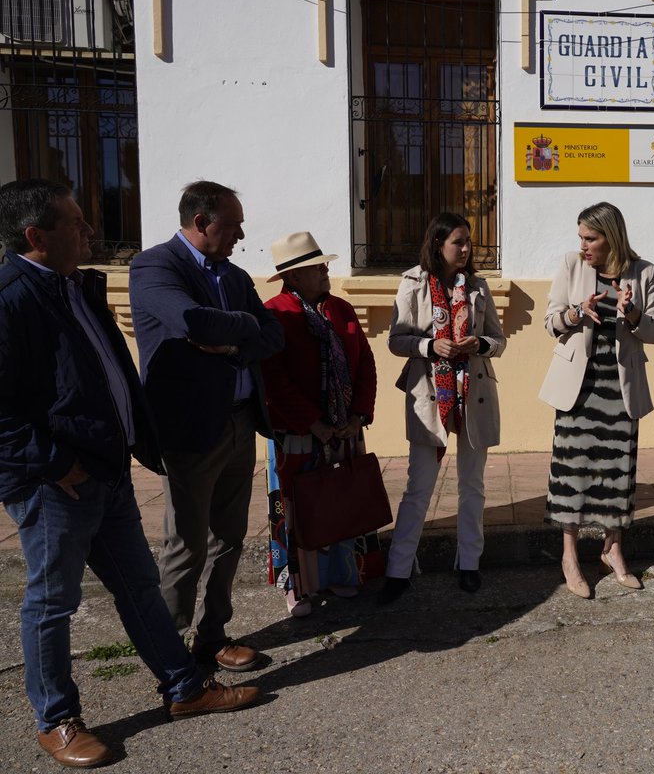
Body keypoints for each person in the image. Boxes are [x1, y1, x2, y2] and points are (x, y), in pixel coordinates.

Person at [0, 180, 259, 768]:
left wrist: (133, 442)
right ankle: (57, 719)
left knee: (140, 587)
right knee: (51, 602)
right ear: (35, 235)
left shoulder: (77, 287)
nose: (89, 231)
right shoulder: (12, 299)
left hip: (106, 471)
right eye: (75, 221)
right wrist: (55, 463)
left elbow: (110, 368)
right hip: (57, 483)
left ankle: (183, 688)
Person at [129, 181, 284, 672]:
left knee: (231, 537)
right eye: (233, 223)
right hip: (191, 430)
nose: (241, 232)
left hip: (239, 423)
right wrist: (243, 327)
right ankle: (169, 650)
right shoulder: (155, 266)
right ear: (202, 222)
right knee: (186, 544)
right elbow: (193, 322)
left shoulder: (234, 275)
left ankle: (211, 634)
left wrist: (235, 339)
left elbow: (273, 335)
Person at [378, 212, 506, 604]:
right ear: (438, 244)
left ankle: (469, 563)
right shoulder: (413, 282)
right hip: (430, 395)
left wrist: (479, 344)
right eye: (459, 242)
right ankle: (398, 570)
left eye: (469, 242)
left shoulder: (478, 287)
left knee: (473, 486)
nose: (467, 250)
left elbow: (498, 341)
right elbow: (395, 340)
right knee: (419, 487)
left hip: (474, 392)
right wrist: (430, 346)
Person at [539, 202, 654, 598]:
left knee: (616, 471)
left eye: (590, 238)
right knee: (572, 470)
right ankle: (570, 557)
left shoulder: (643, 272)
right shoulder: (572, 267)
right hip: (579, 386)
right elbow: (550, 322)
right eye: (581, 237)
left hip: (620, 386)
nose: (584, 245)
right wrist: (577, 313)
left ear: (612, 237)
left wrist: (632, 316)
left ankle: (613, 550)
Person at [260, 232, 379, 618]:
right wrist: (314, 424)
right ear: (293, 277)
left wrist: (358, 415)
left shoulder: (340, 310)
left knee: (341, 502)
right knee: (298, 508)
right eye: (317, 266)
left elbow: (366, 365)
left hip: (343, 429)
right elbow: (273, 379)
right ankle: (297, 586)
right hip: (298, 433)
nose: (326, 268)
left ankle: (342, 573)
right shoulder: (275, 314)